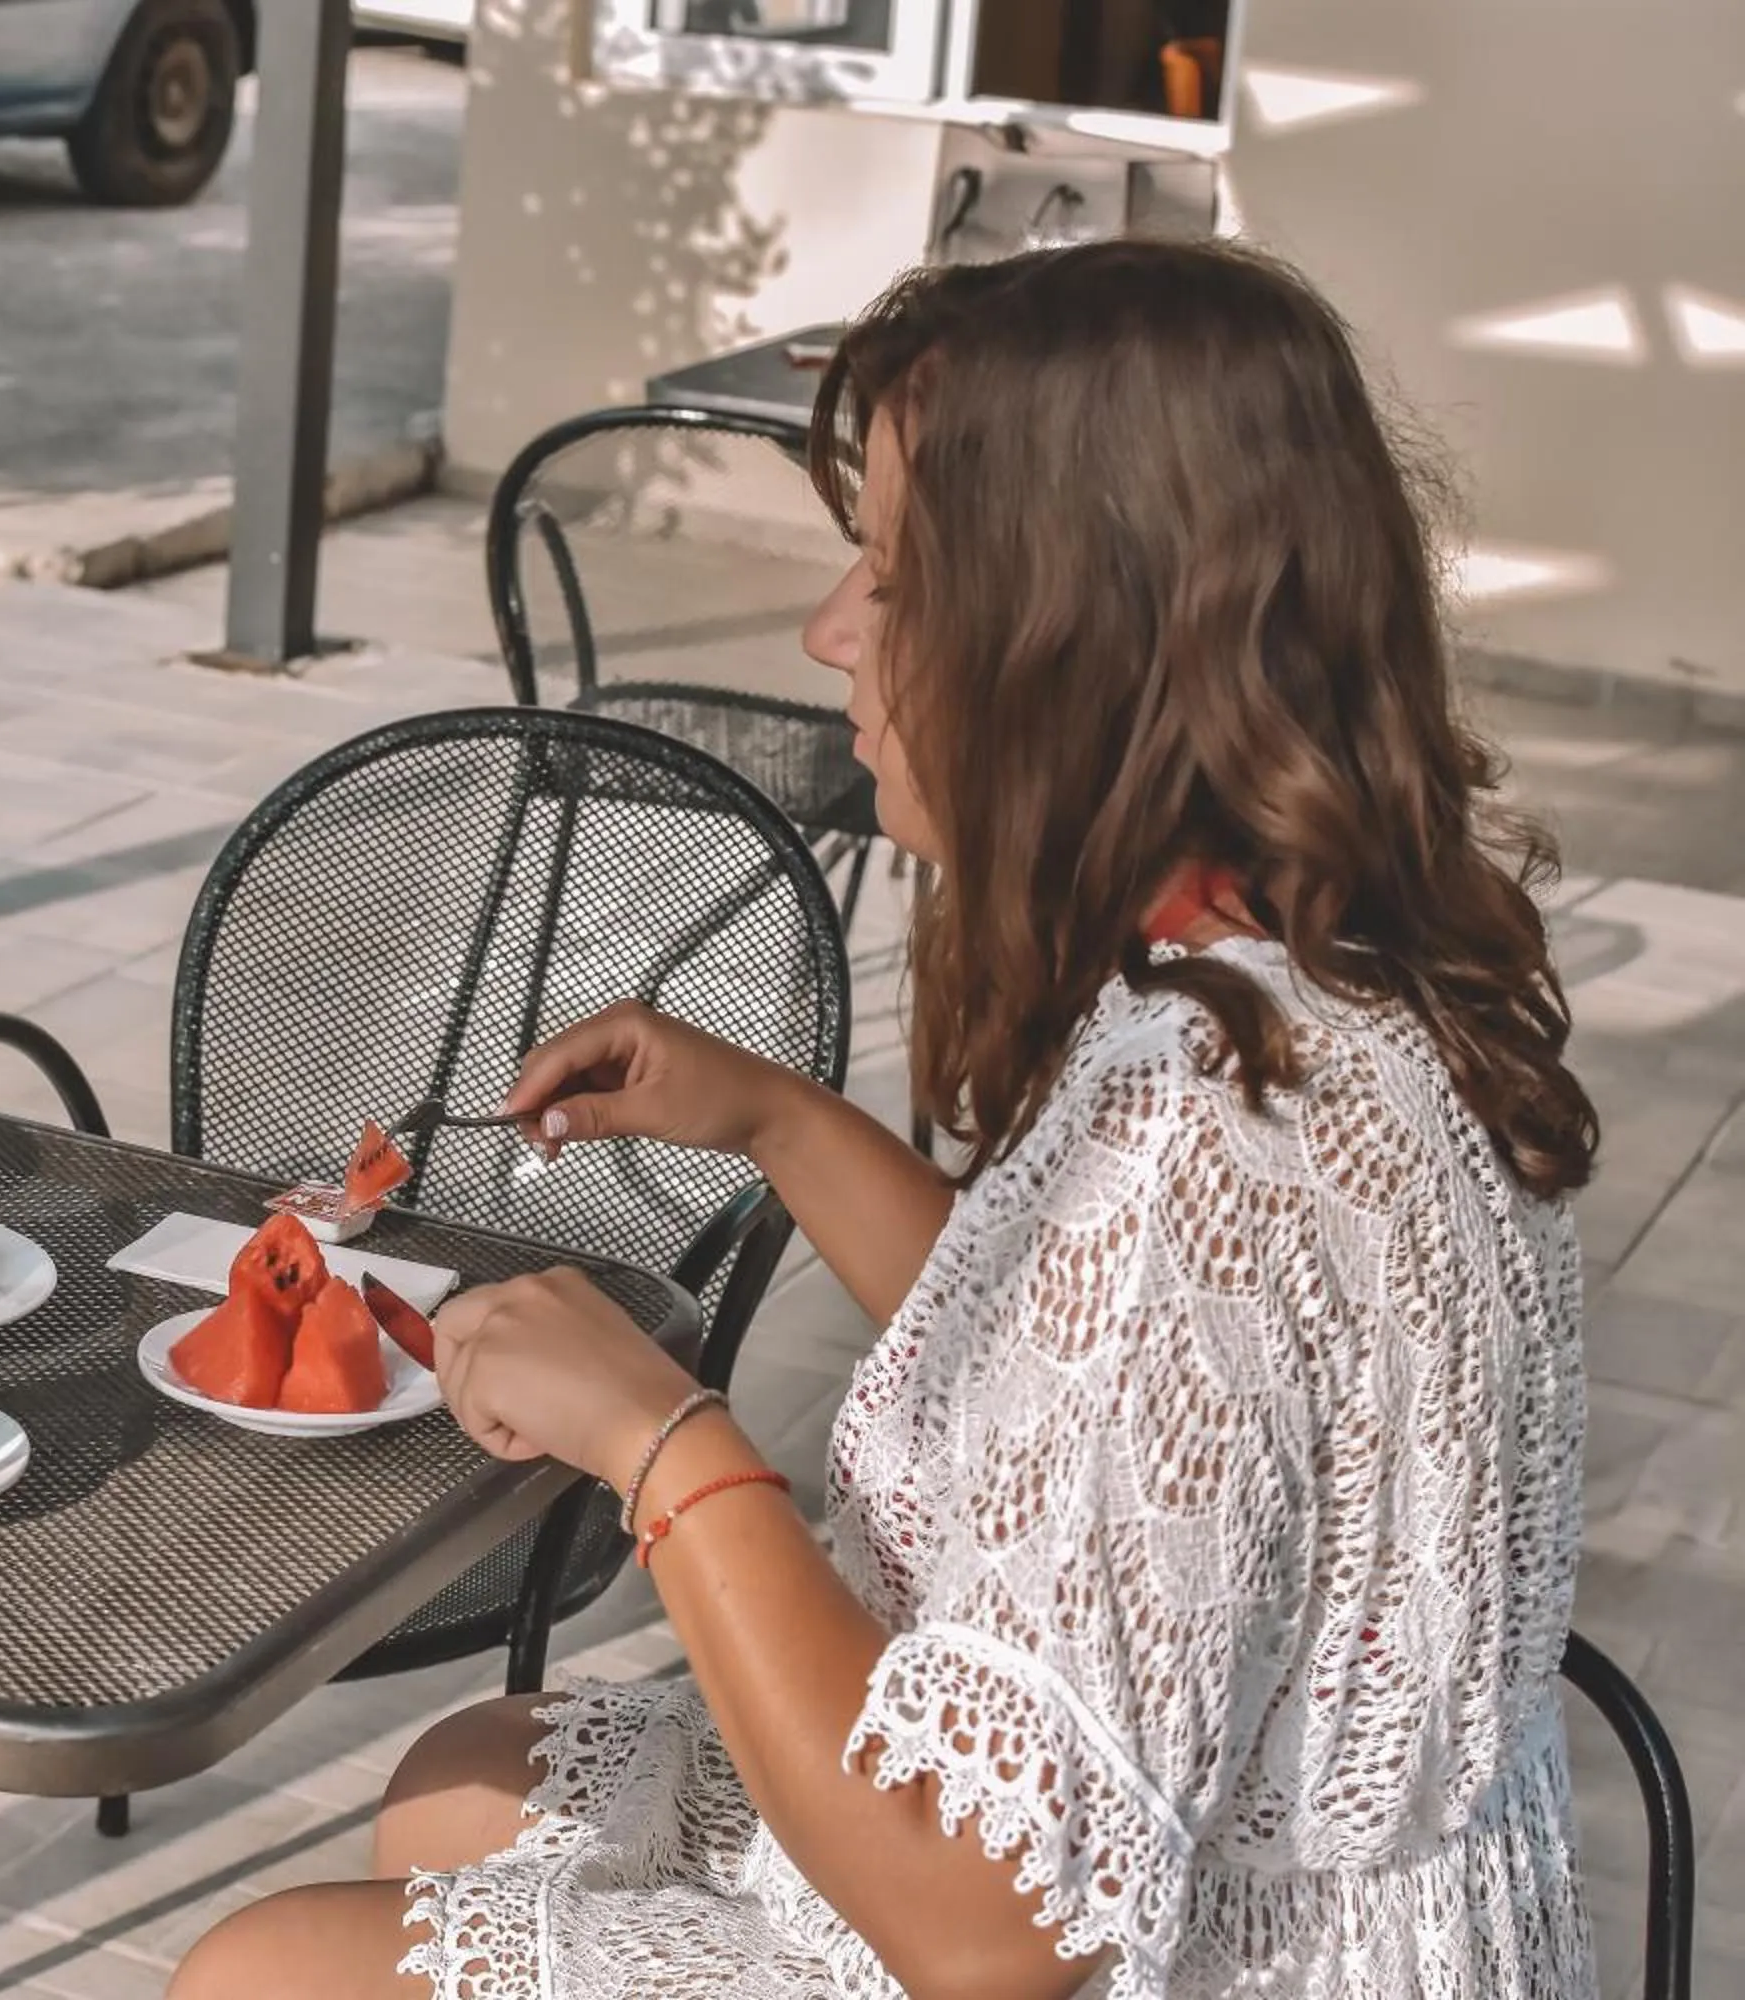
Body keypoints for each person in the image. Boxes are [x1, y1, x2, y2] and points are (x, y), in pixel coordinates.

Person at [170, 239, 1603, 2000]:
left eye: (897, 581)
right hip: (1303, 1900)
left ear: (1084, 651)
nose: (827, 631)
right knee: (465, 1785)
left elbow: (991, 1930)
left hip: (1146, 1946)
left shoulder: (1210, 1138)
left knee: (262, 1972)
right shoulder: (1307, 971)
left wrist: (662, 1443)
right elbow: (1090, 1389)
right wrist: (772, 1118)